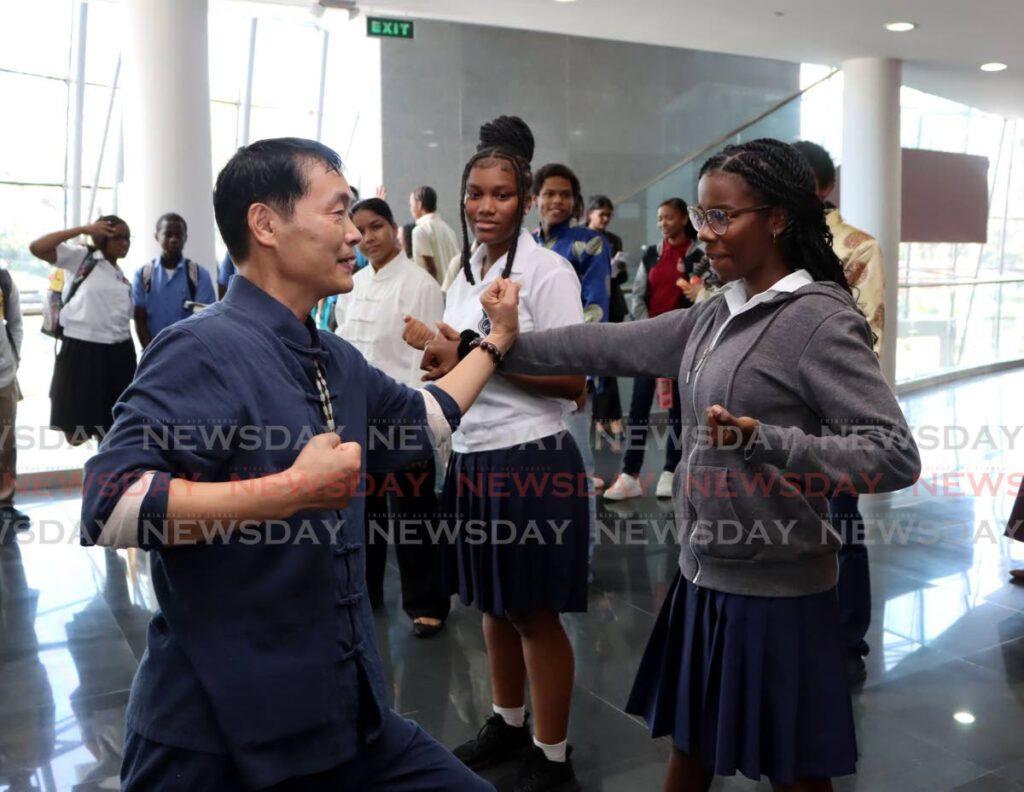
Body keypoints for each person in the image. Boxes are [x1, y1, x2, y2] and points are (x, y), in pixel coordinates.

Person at [434, 138, 921, 791]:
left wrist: (766, 441)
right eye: (700, 216)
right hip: (704, 578)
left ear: (777, 217)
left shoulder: (818, 320)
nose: (705, 235)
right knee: (691, 751)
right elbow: (602, 344)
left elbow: (893, 453)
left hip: (777, 592)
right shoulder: (719, 309)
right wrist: (487, 346)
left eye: (722, 217)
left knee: (796, 772)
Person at [79, 137, 520, 792]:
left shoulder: (332, 358)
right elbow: (110, 505)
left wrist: (496, 343)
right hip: (216, 740)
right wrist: (288, 491)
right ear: (265, 224)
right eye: (337, 213)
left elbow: (421, 420)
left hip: (346, 719)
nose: (354, 234)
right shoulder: (200, 348)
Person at [411, 116, 589, 791]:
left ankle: (552, 754)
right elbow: (469, 356)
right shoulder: (464, 270)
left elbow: (574, 384)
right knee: (490, 603)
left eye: (502, 195)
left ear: (527, 199)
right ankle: (507, 722)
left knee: (533, 613)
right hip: (476, 456)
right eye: (476, 193)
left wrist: (484, 353)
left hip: (531, 460)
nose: (486, 206)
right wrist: (449, 355)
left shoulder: (547, 273)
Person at [335, 197, 450, 636]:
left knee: (414, 510)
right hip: (359, 412)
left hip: (404, 411)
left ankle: (427, 601)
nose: (368, 238)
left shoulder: (419, 282)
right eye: (359, 229)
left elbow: (435, 353)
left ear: (395, 229)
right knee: (364, 510)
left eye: (377, 226)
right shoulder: (355, 281)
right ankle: (368, 590)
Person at [793, 140, 885, 685]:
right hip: (774, 408)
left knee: (840, 523)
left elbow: (865, 334)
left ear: (825, 187)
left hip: (831, 410)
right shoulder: (770, 241)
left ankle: (848, 635)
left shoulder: (857, 247)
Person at [603, 198, 701, 502]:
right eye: (659, 218)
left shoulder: (702, 256)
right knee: (639, 407)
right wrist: (649, 329)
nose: (663, 223)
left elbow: (706, 297)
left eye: (669, 217)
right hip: (651, 344)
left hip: (684, 344)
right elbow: (639, 297)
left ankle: (671, 470)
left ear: (684, 219)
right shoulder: (650, 255)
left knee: (678, 411)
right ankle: (629, 474)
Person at [30, 216, 137, 445]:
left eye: (128, 238)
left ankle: (106, 476)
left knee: (114, 429)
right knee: (76, 434)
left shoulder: (119, 274)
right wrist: (83, 229)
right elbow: (37, 248)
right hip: (83, 352)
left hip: (118, 353)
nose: (125, 243)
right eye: (118, 237)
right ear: (101, 237)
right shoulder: (82, 258)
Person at [132, 213, 216, 349]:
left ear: (185, 238)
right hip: (154, 353)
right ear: (157, 236)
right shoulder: (143, 275)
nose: (173, 239)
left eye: (178, 235)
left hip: (189, 352)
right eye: (168, 234)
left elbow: (204, 319)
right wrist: (151, 353)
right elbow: (140, 319)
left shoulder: (199, 275)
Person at [585, 195, 627, 438]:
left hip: (612, 306)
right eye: (601, 214)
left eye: (608, 215)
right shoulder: (582, 239)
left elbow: (619, 277)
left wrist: (618, 270)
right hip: (591, 308)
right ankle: (605, 417)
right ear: (590, 213)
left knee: (608, 364)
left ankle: (607, 417)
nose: (605, 220)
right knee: (597, 365)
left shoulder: (613, 240)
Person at [0, 267, 27, 529]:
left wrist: (14, 358)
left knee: (6, 444)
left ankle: (5, 504)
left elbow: (15, 322)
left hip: (3, 376)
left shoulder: (3, 278)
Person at [409, 186, 461, 285]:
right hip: (454, 291)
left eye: (411, 205)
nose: (411, 209)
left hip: (436, 294)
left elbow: (430, 270)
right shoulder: (449, 230)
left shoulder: (419, 231)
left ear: (419, 205)